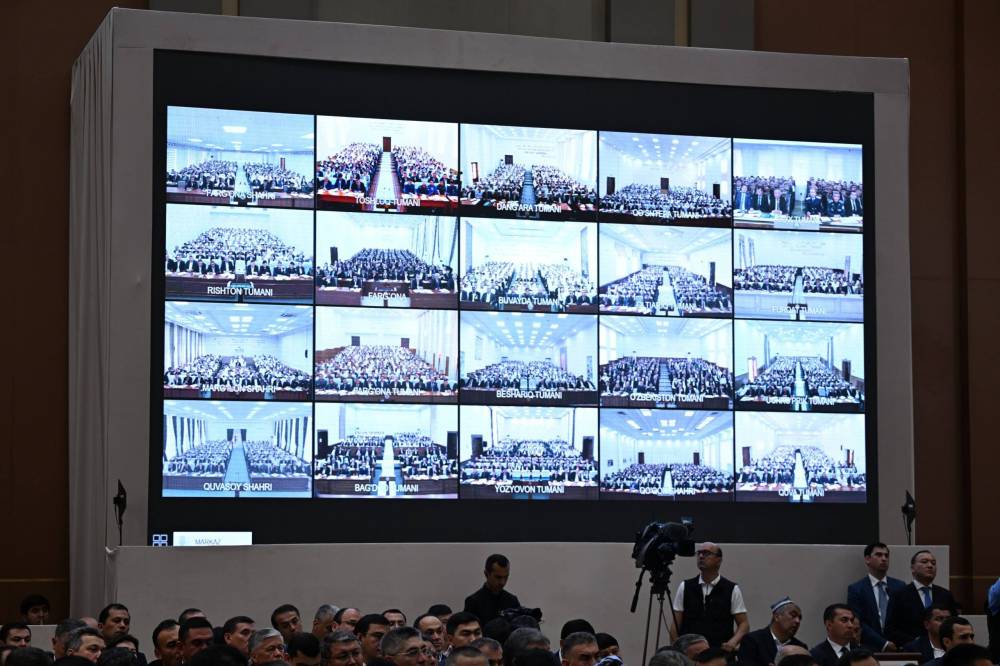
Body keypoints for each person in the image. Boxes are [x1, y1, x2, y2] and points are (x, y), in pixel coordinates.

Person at [671, 543, 749, 654]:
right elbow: (675, 624)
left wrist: (733, 642)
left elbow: (744, 624)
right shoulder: (685, 586)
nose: (701, 556)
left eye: (706, 553)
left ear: (719, 560)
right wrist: (676, 651)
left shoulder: (732, 589)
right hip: (690, 655)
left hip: (719, 655)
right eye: (699, 553)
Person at [885, 550, 959, 646]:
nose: (930, 566)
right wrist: (915, 642)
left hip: (942, 648)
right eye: (924, 562)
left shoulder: (945, 594)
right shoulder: (899, 595)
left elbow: (954, 624)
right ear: (913, 568)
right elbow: (890, 629)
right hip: (912, 649)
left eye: (933, 563)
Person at [847, 543, 907, 651]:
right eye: (879, 555)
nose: (884, 559)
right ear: (867, 559)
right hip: (869, 648)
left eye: (886, 555)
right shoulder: (856, 589)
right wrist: (884, 644)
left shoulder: (900, 586)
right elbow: (858, 622)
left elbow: (904, 618)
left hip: (898, 647)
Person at [738, 597, 808, 666]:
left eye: (800, 618)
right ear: (776, 617)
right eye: (793, 615)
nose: (797, 621)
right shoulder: (752, 641)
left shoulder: (800, 647)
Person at [464, 555, 521, 624]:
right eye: (498, 577)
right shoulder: (473, 602)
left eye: (506, 577)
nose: (502, 582)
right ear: (486, 574)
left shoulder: (512, 601)